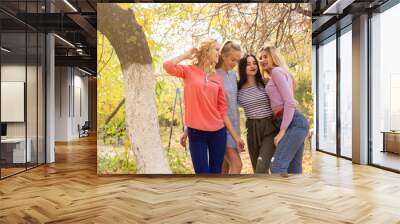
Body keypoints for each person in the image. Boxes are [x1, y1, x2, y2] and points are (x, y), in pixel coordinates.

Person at [163, 39, 244, 174]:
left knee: (215, 175)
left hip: (218, 133)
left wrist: (236, 138)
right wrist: (186, 54)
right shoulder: (188, 71)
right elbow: (167, 66)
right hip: (196, 133)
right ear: (206, 51)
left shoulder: (217, 78)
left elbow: (222, 112)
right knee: (202, 175)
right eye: (217, 50)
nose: (219, 53)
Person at [260, 45, 309, 176]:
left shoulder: (276, 72)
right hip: (295, 123)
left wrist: (282, 131)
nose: (262, 60)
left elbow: (289, 102)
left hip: (293, 124)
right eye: (260, 58)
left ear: (273, 56)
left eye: (265, 56)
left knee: (277, 166)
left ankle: (279, 196)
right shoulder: (281, 73)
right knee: (294, 170)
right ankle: (295, 196)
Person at [237, 54, 278, 173]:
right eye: (248, 64)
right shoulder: (238, 88)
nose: (252, 66)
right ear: (242, 67)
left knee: (261, 166)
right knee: (257, 169)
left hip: (269, 128)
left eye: (254, 63)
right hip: (252, 129)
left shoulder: (266, 83)